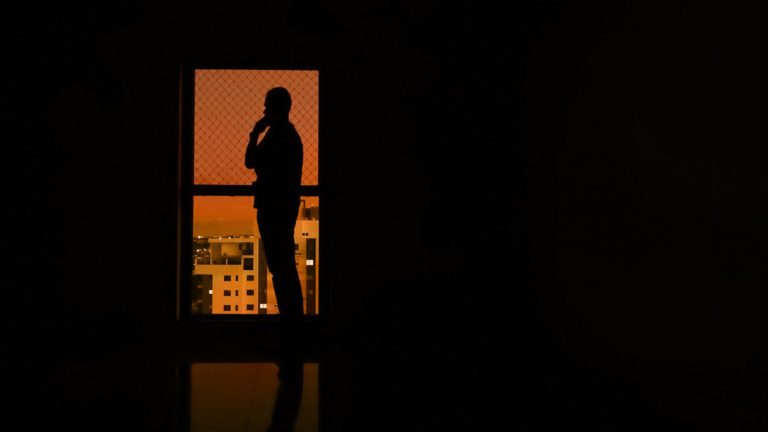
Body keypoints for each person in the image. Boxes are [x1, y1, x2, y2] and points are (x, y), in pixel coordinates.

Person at [245, 87, 304, 324]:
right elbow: (253, 163)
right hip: (281, 208)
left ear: (278, 108)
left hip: (274, 209)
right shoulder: (285, 135)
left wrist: (254, 134)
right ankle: (292, 320)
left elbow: (251, 162)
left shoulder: (279, 136)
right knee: (283, 267)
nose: (264, 109)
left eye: (268, 105)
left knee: (281, 267)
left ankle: (291, 321)